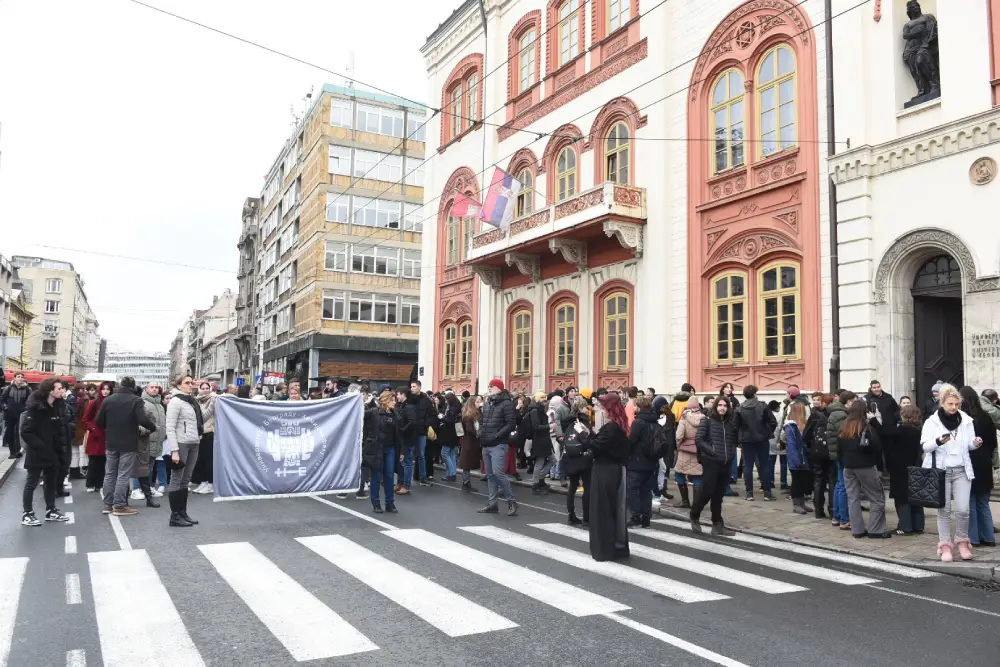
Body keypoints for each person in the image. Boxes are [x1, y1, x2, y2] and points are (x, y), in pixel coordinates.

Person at [921, 383, 981, 561]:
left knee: (963, 510)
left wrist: (975, 443)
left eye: (956, 404)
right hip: (942, 471)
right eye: (950, 404)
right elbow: (925, 446)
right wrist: (938, 441)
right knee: (944, 510)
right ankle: (945, 546)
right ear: (942, 403)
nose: (954, 407)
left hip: (962, 470)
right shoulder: (932, 422)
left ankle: (962, 542)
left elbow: (968, 445)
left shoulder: (966, 421)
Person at [579, 392, 631, 560]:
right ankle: (614, 547)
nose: (599, 409)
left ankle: (605, 550)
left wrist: (583, 434)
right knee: (612, 509)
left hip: (605, 470)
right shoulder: (617, 425)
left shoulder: (612, 427)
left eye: (602, 406)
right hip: (612, 469)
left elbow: (596, 447)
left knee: (603, 510)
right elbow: (601, 442)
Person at [96, 377, 157, 517]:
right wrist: (152, 427)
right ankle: (119, 506)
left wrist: (110, 428)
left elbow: (99, 421)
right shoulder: (135, 400)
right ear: (133, 387)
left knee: (110, 474)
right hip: (128, 442)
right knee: (123, 475)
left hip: (111, 441)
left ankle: (107, 505)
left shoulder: (108, 399)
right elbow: (142, 419)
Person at [19, 378, 72, 526]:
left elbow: (61, 429)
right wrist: (42, 448)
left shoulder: (58, 406)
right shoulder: (35, 408)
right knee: (31, 483)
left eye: (62, 388)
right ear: (50, 390)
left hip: (54, 453)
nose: (62, 391)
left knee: (51, 483)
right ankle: (27, 514)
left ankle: (51, 511)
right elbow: (26, 432)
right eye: (59, 388)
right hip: (37, 453)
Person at [837, 401, 890, 539]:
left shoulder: (844, 427)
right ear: (864, 412)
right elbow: (877, 447)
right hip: (865, 466)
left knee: (853, 499)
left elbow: (839, 449)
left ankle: (857, 530)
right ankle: (875, 530)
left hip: (848, 467)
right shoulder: (866, 427)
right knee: (877, 497)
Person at [690, 395, 740, 536]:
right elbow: (699, 440)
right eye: (720, 405)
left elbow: (733, 441)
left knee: (719, 494)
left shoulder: (730, 423)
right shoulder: (707, 421)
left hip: (725, 461)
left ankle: (717, 523)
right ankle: (694, 515)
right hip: (711, 461)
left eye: (725, 406)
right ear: (715, 407)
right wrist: (712, 450)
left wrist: (730, 454)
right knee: (707, 491)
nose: (722, 408)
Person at [165, 374, 210, 527]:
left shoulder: (192, 401)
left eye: (191, 383)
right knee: (177, 478)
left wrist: (213, 403)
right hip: (182, 443)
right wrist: (175, 449)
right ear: (179, 385)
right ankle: (174, 516)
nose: (191, 385)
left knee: (186, 479)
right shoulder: (175, 402)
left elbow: (201, 419)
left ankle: (182, 512)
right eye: (187, 383)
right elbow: (170, 427)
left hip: (194, 442)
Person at [960, 387, 996, 548]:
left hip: (970, 463)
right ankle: (988, 537)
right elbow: (993, 443)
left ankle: (973, 538)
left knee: (971, 502)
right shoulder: (986, 417)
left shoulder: (964, 419)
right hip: (985, 463)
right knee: (983, 502)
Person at [477, 379, 518, 516]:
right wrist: (481, 432)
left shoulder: (507, 403)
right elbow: (482, 420)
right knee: (489, 475)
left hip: (498, 444)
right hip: (486, 443)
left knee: (498, 473)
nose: (489, 388)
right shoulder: (488, 403)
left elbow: (511, 423)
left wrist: (497, 435)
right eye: (488, 386)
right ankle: (492, 503)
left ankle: (511, 501)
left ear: (499, 388)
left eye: (492, 386)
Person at [625, 395, 661, 528]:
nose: (633, 408)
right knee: (646, 491)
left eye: (635, 405)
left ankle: (636, 516)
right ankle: (646, 518)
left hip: (636, 462)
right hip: (652, 462)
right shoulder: (655, 421)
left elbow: (631, 441)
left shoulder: (638, 422)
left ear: (639, 407)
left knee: (631, 489)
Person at [363, 391, 402, 514]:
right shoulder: (374, 412)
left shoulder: (395, 414)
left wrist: (402, 451)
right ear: (385, 400)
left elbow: (399, 435)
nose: (395, 402)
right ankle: (376, 503)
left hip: (390, 449)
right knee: (376, 476)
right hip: (376, 448)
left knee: (389, 476)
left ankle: (390, 503)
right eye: (392, 400)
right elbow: (358, 415)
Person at [737, 385, 777, 501]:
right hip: (762, 439)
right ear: (754, 394)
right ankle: (767, 493)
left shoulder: (740, 408)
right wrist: (767, 433)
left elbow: (736, 426)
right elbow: (772, 421)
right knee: (764, 465)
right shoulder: (763, 406)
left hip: (747, 440)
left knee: (747, 466)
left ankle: (749, 493)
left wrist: (739, 439)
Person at [890, 405, 926, 535]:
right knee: (916, 496)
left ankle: (905, 526)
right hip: (916, 466)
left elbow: (885, 433)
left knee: (902, 498)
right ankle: (918, 525)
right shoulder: (919, 430)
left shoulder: (902, 430)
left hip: (900, 468)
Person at [132, 383, 167, 506]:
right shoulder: (143, 403)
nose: (154, 389)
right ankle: (136, 489)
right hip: (146, 439)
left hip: (158, 440)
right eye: (152, 387)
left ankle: (148, 487)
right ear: (146, 389)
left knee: (150, 466)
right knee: (141, 466)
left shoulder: (160, 404)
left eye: (156, 387)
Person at [825, 390, 854, 529]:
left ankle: (837, 517)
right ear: (848, 402)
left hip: (835, 452)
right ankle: (844, 519)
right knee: (843, 486)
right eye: (853, 401)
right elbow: (844, 435)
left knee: (839, 484)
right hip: (841, 453)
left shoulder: (835, 412)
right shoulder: (842, 415)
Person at [803, 393, 835, 519]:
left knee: (818, 480)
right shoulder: (835, 414)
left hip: (817, 452)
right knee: (832, 481)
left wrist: (811, 447)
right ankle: (833, 510)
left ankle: (818, 510)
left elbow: (805, 435)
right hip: (832, 452)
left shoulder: (815, 415)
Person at [672, 396, 704, 509]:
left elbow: (679, 436)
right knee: (697, 476)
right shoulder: (704, 418)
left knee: (679, 473)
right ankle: (696, 504)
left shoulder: (684, 417)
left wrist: (678, 446)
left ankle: (685, 501)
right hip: (699, 451)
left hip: (685, 451)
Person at [784, 402, 813, 515]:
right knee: (796, 481)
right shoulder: (791, 427)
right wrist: (796, 460)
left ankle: (801, 503)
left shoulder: (800, 425)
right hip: (796, 459)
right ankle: (796, 504)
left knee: (802, 481)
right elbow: (792, 445)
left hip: (802, 458)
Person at [83, 382, 112, 492]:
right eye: (103, 389)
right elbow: (85, 419)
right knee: (93, 461)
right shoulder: (94, 403)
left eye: (108, 389)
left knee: (104, 461)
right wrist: (93, 428)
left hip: (107, 435)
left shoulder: (112, 402)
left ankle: (99, 484)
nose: (105, 391)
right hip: (95, 436)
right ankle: (90, 483)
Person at [190, 382, 218, 495]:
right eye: (203, 388)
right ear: (199, 389)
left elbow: (204, 416)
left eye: (207, 388)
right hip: (199, 433)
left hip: (210, 433)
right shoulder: (197, 400)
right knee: (201, 460)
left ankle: (210, 483)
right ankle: (204, 482)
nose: (206, 390)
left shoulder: (214, 399)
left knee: (209, 460)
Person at [524, 395, 554, 494]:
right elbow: (536, 426)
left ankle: (540, 479)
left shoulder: (544, 411)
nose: (544, 399)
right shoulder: (534, 411)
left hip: (545, 440)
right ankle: (535, 484)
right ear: (537, 399)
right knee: (540, 462)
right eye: (542, 397)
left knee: (553, 460)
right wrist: (549, 426)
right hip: (539, 440)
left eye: (545, 397)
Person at [409, 380, 436, 486]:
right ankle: (406, 478)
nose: (412, 388)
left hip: (421, 432)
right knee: (408, 455)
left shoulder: (426, 400)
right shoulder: (409, 398)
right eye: (411, 386)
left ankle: (423, 477)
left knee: (421, 454)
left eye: (414, 387)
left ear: (419, 387)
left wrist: (426, 424)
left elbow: (433, 414)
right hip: (410, 431)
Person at [1, 371, 31, 459]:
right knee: (9, 432)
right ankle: (12, 452)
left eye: (22, 377)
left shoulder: (27, 389)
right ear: (14, 378)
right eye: (18, 377)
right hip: (10, 414)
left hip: (21, 414)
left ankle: (18, 451)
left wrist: (26, 409)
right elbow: (2, 399)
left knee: (19, 432)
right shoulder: (9, 388)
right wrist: (5, 407)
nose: (20, 378)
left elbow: (30, 401)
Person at [70, 384, 96, 478]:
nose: (85, 391)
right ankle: (82, 470)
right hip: (81, 428)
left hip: (73, 428)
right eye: (83, 389)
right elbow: (86, 415)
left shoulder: (72, 398)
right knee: (82, 451)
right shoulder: (85, 400)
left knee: (74, 451)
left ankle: (74, 471)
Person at [436, 393, 461, 482]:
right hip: (455, 433)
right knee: (452, 454)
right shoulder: (457, 406)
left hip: (449, 433)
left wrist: (441, 418)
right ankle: (452, 474)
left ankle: (451, 474)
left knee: (445, 454)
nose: (446, 401)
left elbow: (450, 421)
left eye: (446, 399)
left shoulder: (452, 408)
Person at [459, 397, 482, 492]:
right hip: (470, 442)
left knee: (467, 464)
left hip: (470, 442)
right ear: (472, 404)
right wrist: (477, 434)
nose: (479, 404)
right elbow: (469, 429)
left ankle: (466, 482)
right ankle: (466, 483)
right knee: (467, 464)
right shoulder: (469, 415)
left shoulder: (473, 413)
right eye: (477, 402)